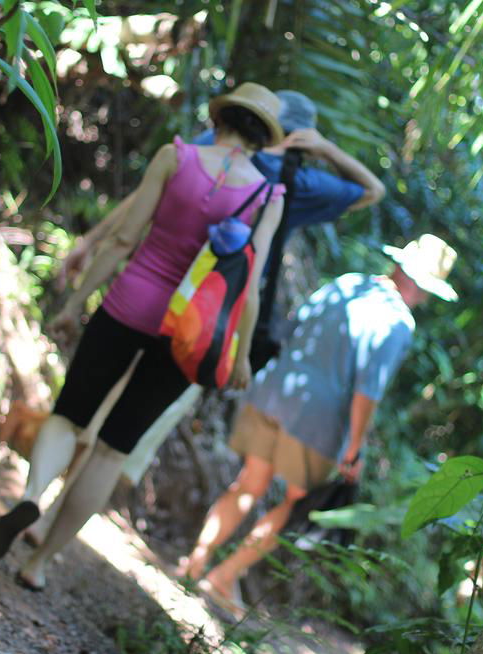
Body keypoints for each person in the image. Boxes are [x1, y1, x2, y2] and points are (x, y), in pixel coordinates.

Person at [0, 83, 287, 591]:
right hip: (187, 336)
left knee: (69, 417)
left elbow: (124, 237)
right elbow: (249, 290)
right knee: (111, 451)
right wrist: (241, 357)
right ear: (264, 138)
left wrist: (75, 304)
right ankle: (38, 564)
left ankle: (33, 495)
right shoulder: (268, 195)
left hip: (127, 307)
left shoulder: (177, 156)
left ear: (223, 116)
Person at [43, 90, 385, 503]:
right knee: (119, 441)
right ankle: (57, 522)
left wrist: (91, 241)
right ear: (295, 135)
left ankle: (44, 506)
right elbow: (372, 191)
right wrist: (327, 149)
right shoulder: (297, 186)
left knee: (86, 412)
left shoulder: (211, 147)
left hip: (134, 302)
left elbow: (140, 207)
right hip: (205, 327)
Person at [182, 234, 458, 616]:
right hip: (318, 420)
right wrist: (354, 448)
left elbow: (294, 328)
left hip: (275, 390)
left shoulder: (349, 282)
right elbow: (367, 391)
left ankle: (196, 561)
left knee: (248, 483)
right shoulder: (398, 322)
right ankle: (223, 577)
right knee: (299, 504)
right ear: (422, 286)